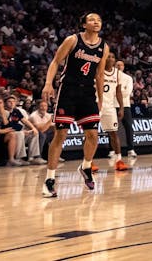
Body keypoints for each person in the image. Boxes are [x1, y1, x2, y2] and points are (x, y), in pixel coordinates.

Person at [41, 12, 110, 197]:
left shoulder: (104, 47)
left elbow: (100, 74)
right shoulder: (73, 40)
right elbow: (56, 61)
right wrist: (48, 84)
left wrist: (101, 98)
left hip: (88, 93)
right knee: (61, 134)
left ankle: (86, 166)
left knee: (93, 135)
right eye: (92, 19)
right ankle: (49, 179)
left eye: (99, 20)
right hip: (68, 90)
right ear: (84, 24)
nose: (96, 22)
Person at [98, 51, 128, 172]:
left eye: (112, 57)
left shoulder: (117, 74)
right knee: (91, 134)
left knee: (114, 133)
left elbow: (118, 92)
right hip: (97, 105)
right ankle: (88, 163)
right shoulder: (97, 70)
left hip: (110, 107)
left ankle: (119, 160)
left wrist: (121, 107)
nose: (110, 58)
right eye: (108, 57)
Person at [116, 59, 137, 158]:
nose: (119, 67)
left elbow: (127, 92)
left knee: (128, 128)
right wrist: (120, 91)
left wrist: (116, 93)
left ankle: (131, 149)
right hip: (112, 105)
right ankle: (113, 151)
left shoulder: (128, 78)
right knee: (112, 129)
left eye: (121, 65)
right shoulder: (110, 77)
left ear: (123, 67)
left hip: (125, 105)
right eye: (117, 65)